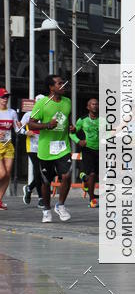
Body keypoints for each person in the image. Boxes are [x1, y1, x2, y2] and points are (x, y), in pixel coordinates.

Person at [29, 75, 76, 223]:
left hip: (63, 147)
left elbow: (67, 120)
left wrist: (71, 127)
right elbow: (31, 124)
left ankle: (60, 205)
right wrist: (47, 125)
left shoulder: (67, 102)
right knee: (46, 182)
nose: (63, 85)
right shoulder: (42, 103)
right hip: (46, 149)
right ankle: (46, 210)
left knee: (67, 175)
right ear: (51, 87)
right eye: (59, 83)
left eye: (63, 83)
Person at [70, 98, 100, 207]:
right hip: (87, 149)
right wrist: (79, 141)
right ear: (88, 107)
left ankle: (84, 178)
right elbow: (72, 133)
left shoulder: (103, 120)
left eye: (97, 104)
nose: (95, 106)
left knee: (94, 175)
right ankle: (92, 199)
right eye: (93, 104)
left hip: (99, 150)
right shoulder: (82, 120)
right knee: (92, 174)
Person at [20, 94, 45, 207]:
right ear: (35, 103)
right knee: (38, 171)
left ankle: (29, 188)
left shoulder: (47, 115)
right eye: (38, 103)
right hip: (32, 147)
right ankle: (41, 198)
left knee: (45, 172)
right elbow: (18, 129)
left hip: (44, 147)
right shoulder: (28, 115)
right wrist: (26, 132)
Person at [0, 89, 20, 210]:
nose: (5, 99)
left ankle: (0, 200)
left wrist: (23, 128)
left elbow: (17, 129)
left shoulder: (12, 112)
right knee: (1, 173)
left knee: (7, 175)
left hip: (8, 145)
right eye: (3, 97)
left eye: (6, 97)